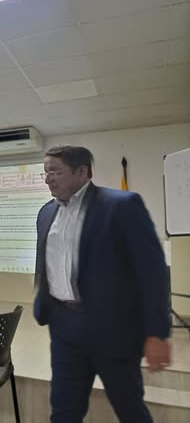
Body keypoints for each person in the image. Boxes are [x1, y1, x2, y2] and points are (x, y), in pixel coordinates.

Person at [33, 145, 171, 423]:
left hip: (113, 331)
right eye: (45, 172)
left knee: (129, 409)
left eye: (55, 171)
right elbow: (47, 264)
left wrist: (157, 333)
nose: (48, 179)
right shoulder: (46, 213)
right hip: (64, 329)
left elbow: (152, 272)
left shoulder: (121, 206)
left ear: (81, 171)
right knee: (63, 411)